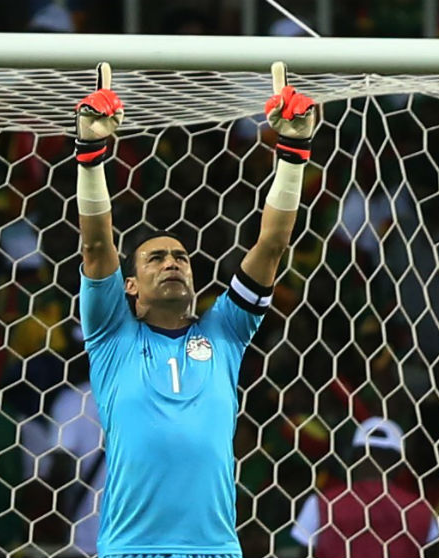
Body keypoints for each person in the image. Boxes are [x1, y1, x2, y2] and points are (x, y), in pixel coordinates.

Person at [74, 61, 316, 557]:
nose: (172, 263)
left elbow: (270, 246)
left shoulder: (226, 328)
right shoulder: (111, 335)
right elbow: (97, 248)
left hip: (214, 549)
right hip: (129, 548)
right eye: (155, 258)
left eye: (181, 257)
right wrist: (91, 155)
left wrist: (292, 156)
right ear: (131, 287)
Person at [291, 417, 439, 558]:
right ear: (400, 463)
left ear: (355, 457)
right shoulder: (420, 509)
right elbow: (437, 551)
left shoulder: (321, 504)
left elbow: (304, 553)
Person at [49, 381, 105, 557]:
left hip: (87, 529)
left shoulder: (76, 398)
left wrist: (57, 518)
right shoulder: (158, 395)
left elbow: (61, 464)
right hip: (146, 531)